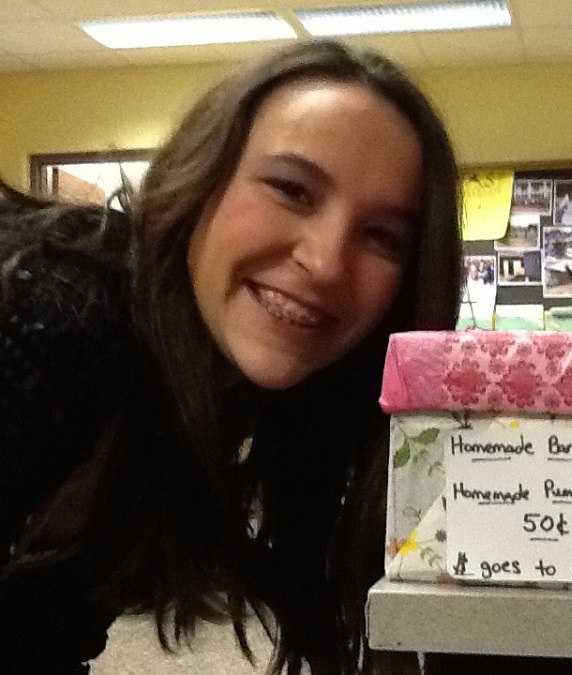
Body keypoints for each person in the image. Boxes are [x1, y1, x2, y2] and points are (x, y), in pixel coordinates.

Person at [0, 40, 461, 675]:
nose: (326, 263)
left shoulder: (234, 397)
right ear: (201, 180)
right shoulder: (59, 311)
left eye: (382, 236)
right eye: (291, 190)